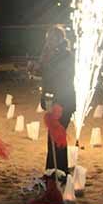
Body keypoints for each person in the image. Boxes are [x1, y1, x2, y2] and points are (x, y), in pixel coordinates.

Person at [38, 25, 75, 180]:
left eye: (53, 38)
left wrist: (45, 66)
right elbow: (46, 75)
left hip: (63, 101)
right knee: (53, 137)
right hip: (52, 100)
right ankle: (53, 170)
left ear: (60, 39)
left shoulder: (66, 55)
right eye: (48, 39)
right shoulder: (49, 54)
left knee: (57, 136)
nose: (49, 41)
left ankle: (59, 171)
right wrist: (37, 68)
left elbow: (61, 76)